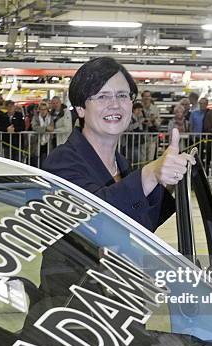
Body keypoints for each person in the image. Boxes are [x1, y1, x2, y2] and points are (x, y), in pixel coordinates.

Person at [43, 57, 194, 232]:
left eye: (122, 95)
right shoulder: (60, 162)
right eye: (102, 96)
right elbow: (92, 222)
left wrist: (170, 180)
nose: (115, 104)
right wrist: (150, 174)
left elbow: (141, 225)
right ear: (80, 109)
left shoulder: (121, 164)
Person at [31, 101, 54, 166]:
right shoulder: (35, 117)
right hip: (37, 142)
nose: (43, 111)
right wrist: (46, 128)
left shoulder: (50, 118)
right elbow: (35, 127)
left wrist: (47, 129)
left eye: (44, 109)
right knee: (36, 162)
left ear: (47, 110)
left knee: (45, 161)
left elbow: (52, 128)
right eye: (41, 109)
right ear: (39, 110)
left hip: (48, 143)